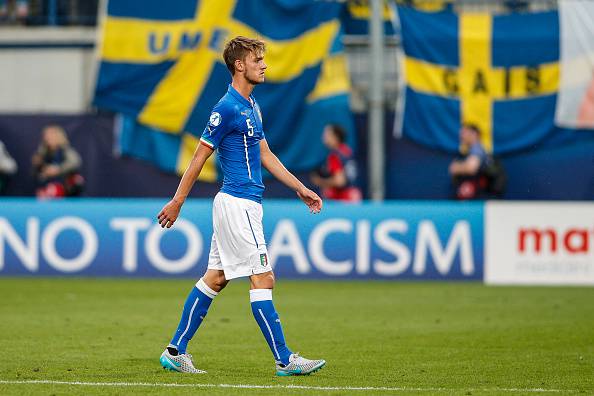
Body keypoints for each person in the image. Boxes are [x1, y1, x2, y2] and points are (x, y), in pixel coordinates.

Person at [157, 36, 326, 376]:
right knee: (263, 278)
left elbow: (265, 154)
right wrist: (177, 201)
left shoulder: (251, 105)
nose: (264, 64)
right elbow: (198, 158)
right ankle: (284, 359)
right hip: (237, 203)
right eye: (257, 59)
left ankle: (175, 350)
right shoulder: (226, 108)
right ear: (239, 65)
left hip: (243, 204)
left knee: (216, 278)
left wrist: (300, 187)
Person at [448, 123, 505, 200]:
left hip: (480, 198)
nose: (461, 136)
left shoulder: (477, 149)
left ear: (474, 134)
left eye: (464, 133)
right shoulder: (470, 151)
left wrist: (456, 167)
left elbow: (471, 168)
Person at [310, 124, 362, 202]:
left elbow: (340, 181)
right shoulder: (346, 150)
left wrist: (320, 181)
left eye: (327, 134)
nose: (324, 137)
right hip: (354, 195)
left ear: (335, 137)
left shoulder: (334, 156)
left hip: (343, 199)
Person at [32, 124, 84, 199]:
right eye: (46, 135)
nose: (47, 138)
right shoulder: (43, 152)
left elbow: (75, 162)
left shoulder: (65, 150)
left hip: (66, 184)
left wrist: (59, 169)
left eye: (51, 135)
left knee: (77, 181)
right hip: (50, 184)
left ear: (58, 136)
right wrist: (41, 167)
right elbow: (38, 174)